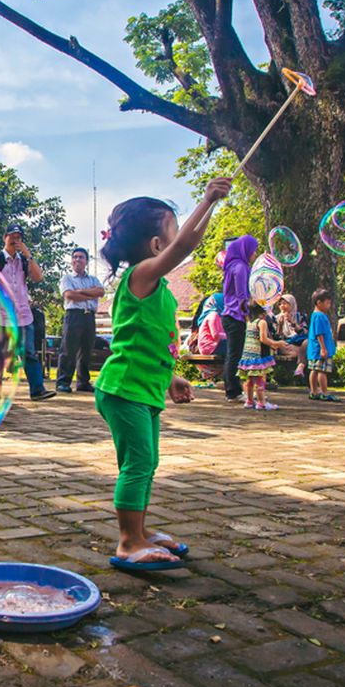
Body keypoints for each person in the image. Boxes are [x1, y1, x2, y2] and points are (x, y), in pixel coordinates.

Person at [96, 179, 233, 572]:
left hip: (144, 388)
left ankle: (139, 530)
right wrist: (208, 201)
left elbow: (152, 340)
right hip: (123, 390)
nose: (179, 244)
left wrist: (172, 376)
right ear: (157, 247)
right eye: (172, 233)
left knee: (147, 461)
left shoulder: (159, 289)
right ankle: (128, 542)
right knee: (137, 463)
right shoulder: (140, 275)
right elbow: (186, 246)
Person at [0, 224, 55, 401]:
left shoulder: (24, 261)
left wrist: (28, 255)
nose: (15, 240)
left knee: (29, 354)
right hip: (2, 318)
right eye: (12, 236)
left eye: (18, 237)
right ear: (5, 237)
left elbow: (38, 278)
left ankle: (37, 390)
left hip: (23, 317)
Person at [56, 247, 104, 393]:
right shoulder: (67, 278)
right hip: (74, 315)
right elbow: (69, 295)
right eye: (75, 257)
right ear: (71, 261)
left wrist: (80, 293)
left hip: (89, 316)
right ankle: (63, 381)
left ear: (86, 261)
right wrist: (90, 294)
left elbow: (100, 292)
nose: (77, 260)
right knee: (68, 348)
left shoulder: (93, 279)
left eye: (81, 257)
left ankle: (83, 382)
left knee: (86, 349)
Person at [221, 235, 257, 402]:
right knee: (235, 354)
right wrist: (249, 314)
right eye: (253, 250)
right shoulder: (241, 267)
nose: (254, 254)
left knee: (232, 353)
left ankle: (234, 389)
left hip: (229, 314)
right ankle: (233, 391)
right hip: (236, 315)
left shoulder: (231, 266)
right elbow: (242, 295)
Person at [239, 301, 285, 410]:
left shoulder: (249, 321)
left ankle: (249, 401)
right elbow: (263, 339)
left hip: (247, 355)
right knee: (259, 380)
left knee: (249, 380)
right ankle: (261, 403)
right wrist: (276, 344)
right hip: (257, 355)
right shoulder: (261, 322)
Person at [307, 288, 340, 402]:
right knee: (322, 370)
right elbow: (319, 333)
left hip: (315, 349)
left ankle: (314, 391)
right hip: (320, 348)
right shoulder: (319, 316)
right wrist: (323, 348)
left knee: (315, 370)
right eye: (327, 303)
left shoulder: (316, 315)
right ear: (319, 302)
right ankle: (324, 392)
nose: (329, 305)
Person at [274, 294, 309, 376]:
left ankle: (300, 367)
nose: (282, 306)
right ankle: (300, 367)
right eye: (280, 304)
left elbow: (305, 332)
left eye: (285, 303)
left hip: (299, 343)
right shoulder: (276, 318)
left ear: (292, 304)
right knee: (298, 353)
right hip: (287, 344)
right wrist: (280, 325)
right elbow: (276, 337)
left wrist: (292, 323)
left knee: (307, 343)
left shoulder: (299, 316)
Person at [187, 293, 226, 357]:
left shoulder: (217, 317)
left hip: (211, 346)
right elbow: (216, 335)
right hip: (210, 347)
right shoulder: (213, 316)